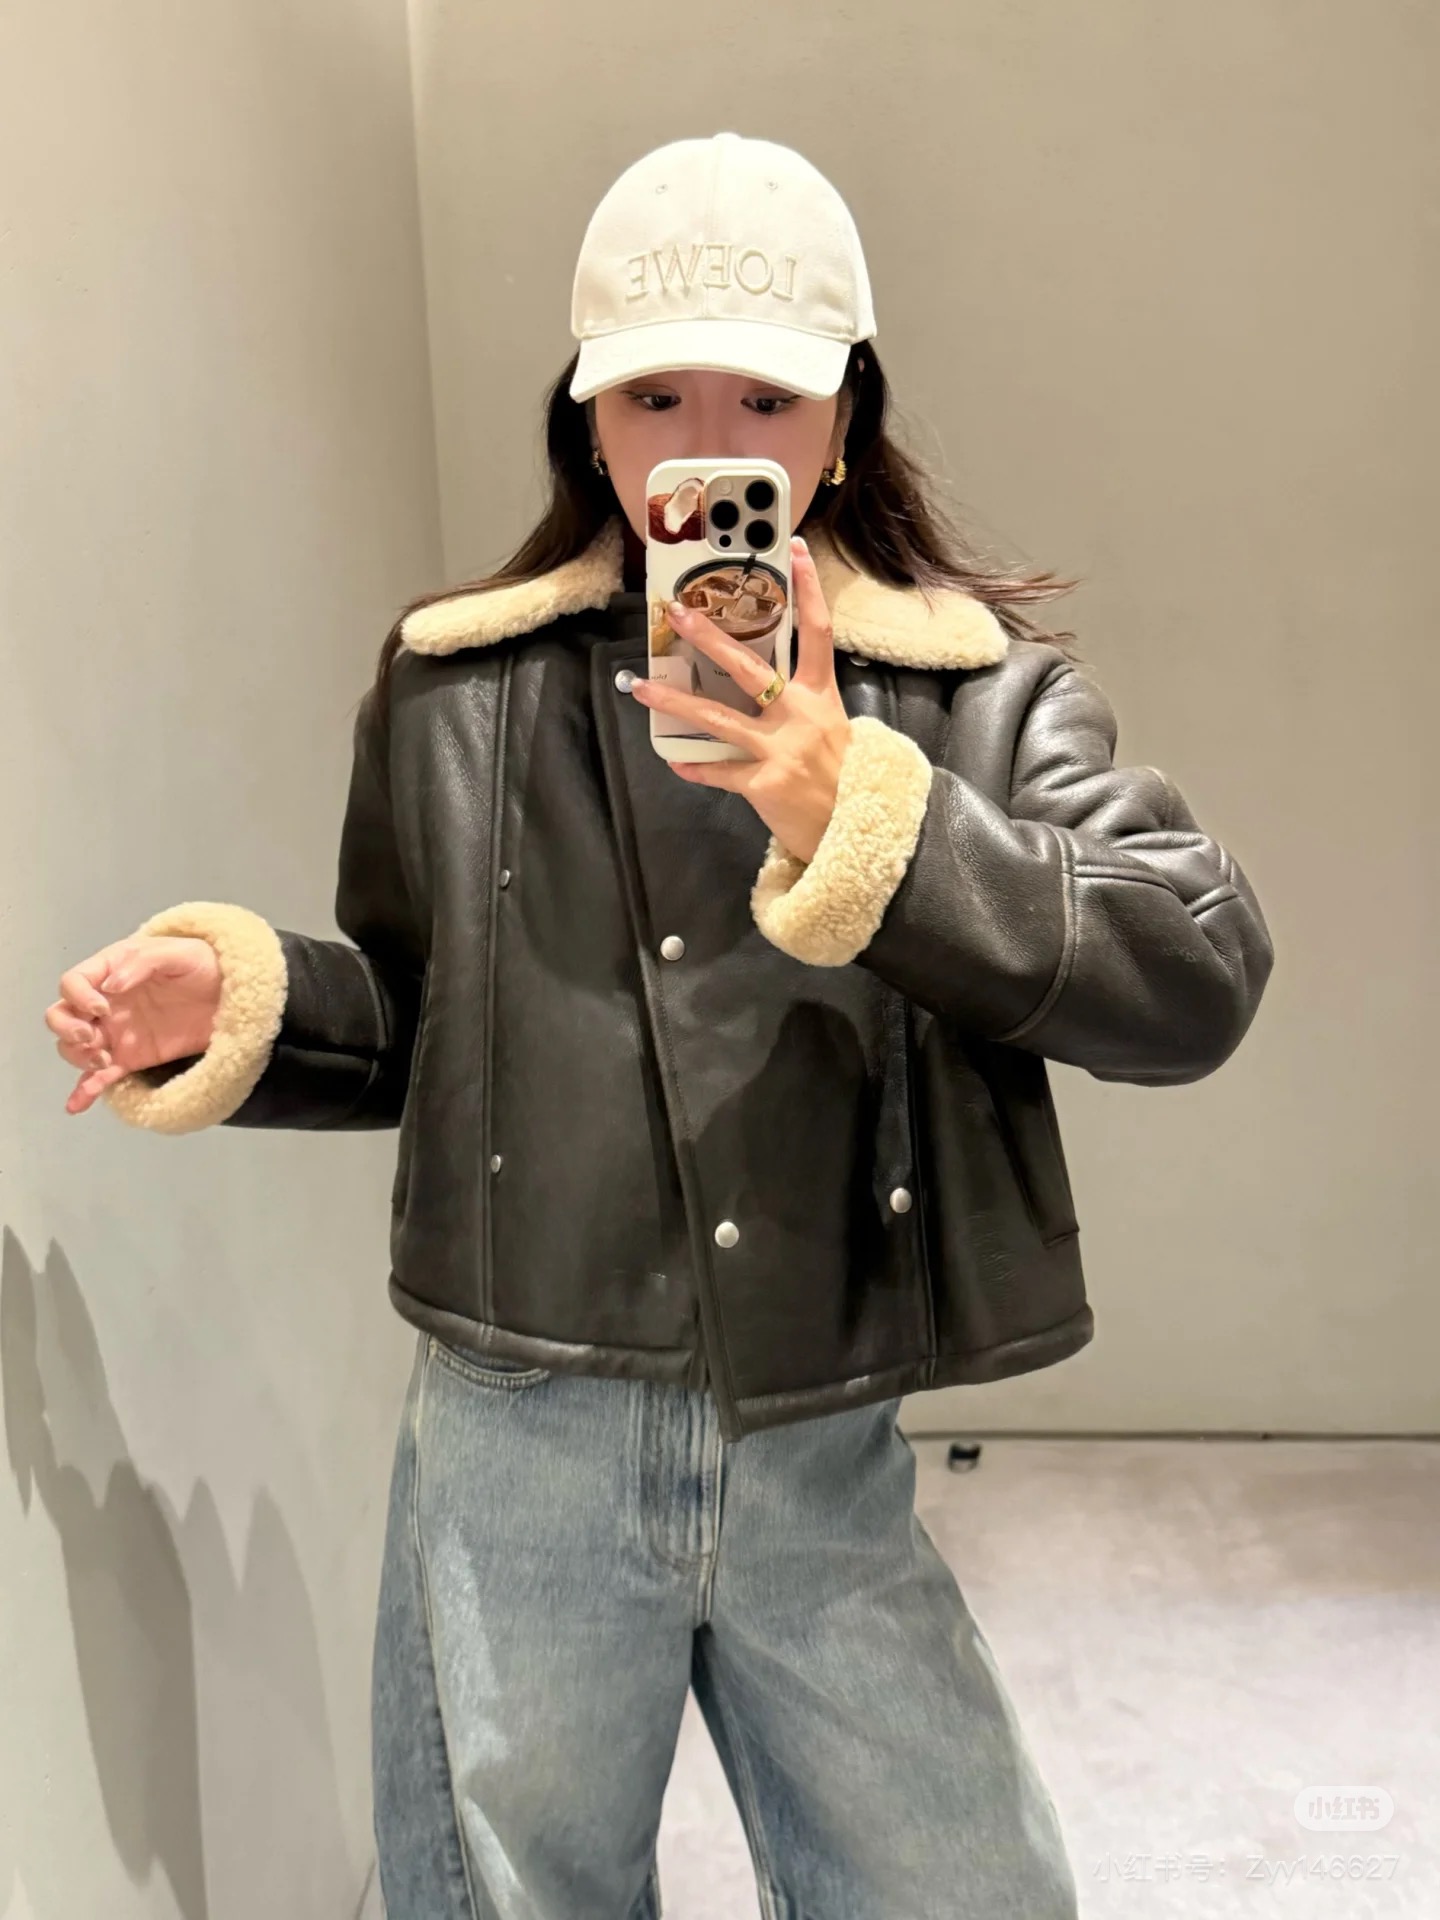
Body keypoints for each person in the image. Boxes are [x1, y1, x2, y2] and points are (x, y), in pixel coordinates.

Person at [45, 131, 1274, 1919]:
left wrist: (869, 816)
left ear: (843, 422)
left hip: (815, 1438)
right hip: (515, 1434)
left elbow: (1196, 967)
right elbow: (421, 1022)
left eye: (766, 400)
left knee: (965, 1889)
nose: (711, 447)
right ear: (591, 422)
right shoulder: (452, 689)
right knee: (510, 1893)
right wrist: (243, 1000)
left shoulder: (973, 698)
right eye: (657, 398)